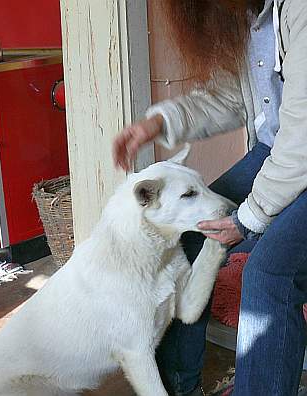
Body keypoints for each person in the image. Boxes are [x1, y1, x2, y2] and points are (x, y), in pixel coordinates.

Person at [112, 0, 307, 395]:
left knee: (268, 274)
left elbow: (302, 139)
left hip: (297, 152)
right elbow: (232, 97)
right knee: (188, 237)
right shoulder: (251, 17)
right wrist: (159, 122)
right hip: (279, 153)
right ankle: (181, 388)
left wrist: (250, 217)